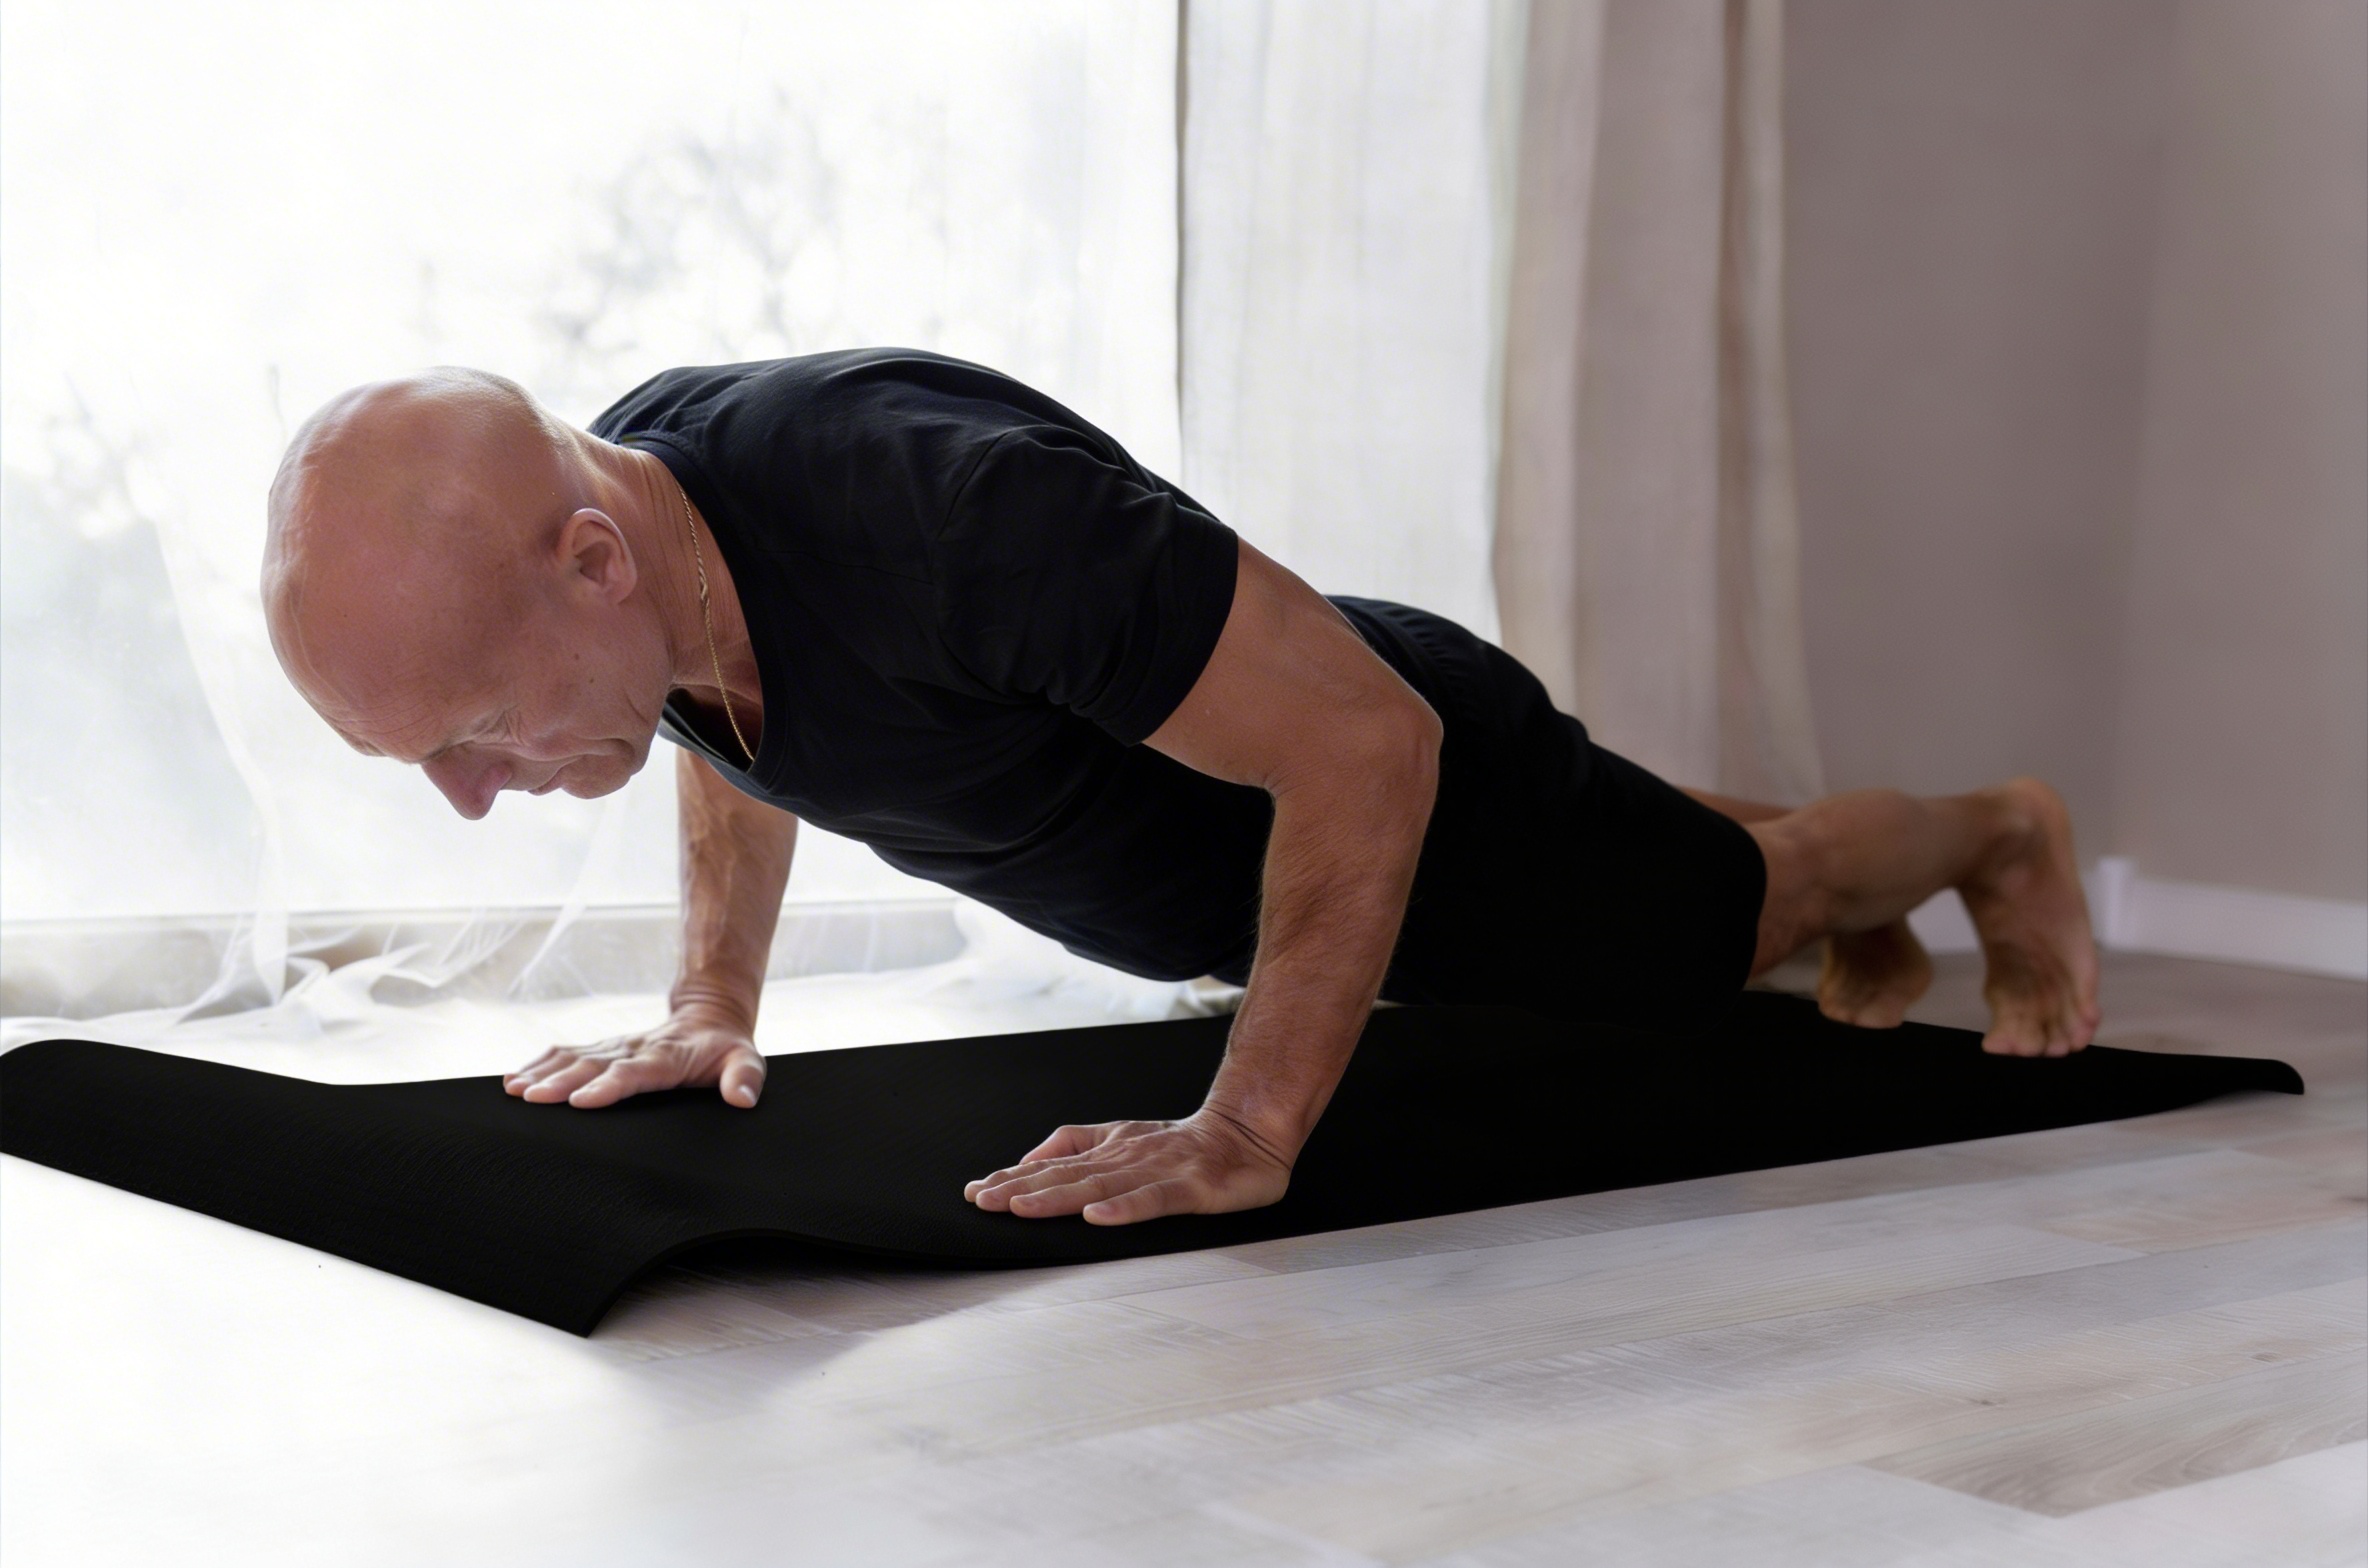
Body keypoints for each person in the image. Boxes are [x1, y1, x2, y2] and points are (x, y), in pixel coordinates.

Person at [260, 349, 2101, 1228]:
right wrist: (708, 997)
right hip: (1283, 828)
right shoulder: (643, 571)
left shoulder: (948, 517)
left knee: (1738, 918)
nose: (477, 806)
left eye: (475, 736)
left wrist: (1250, 1125)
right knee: (1705, 866)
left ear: (591, 562)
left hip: (1407, 782)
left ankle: (1992, 833)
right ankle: (1797, 859)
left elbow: (1368, 745)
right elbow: (734, 718)